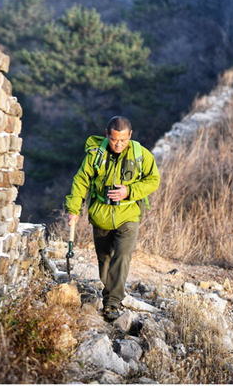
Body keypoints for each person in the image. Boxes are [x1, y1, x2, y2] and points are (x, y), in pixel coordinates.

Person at [65, 115, 160, 321]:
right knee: (104, 259)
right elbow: (81, 180)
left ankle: (112, 303)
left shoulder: (140, 155)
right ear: (107, 134)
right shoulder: (95, 155)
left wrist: (130, 191)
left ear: (130, 136)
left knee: (122, 256)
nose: (119, 144)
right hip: (101, 215)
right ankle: (108, 292)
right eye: (115, 139)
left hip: (129, 214)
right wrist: (73, 209)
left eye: (123, 140)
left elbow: (153, 180)